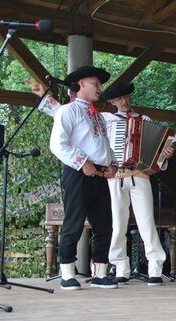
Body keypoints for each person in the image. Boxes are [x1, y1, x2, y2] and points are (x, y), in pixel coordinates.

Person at [26, 80, 174, 286]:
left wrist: (163, 155)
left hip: (139, 174)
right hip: (111, 176)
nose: (123, 101)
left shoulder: (143, 119)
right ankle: (120, 267)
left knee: (146, 223)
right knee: (115, 224)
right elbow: (64, 113)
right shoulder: (103, 118)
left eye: (126, 96)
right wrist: (44, 97)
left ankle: (155, 267)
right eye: (118, 98)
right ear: (112, 101)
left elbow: (158, 155)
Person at [47, 66, 117, 290]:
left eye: (99, 83)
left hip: (99, 173)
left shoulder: (98, 116)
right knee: (74, 222)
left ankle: (100, 272)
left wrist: (112, 164)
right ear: (79, 86)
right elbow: (57, 145)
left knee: (105, 224)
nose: (99, 87)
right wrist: (82, 162)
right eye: (95, 83)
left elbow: (103, 144)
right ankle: (67, 271)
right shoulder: (68, 111)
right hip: (78, 172)